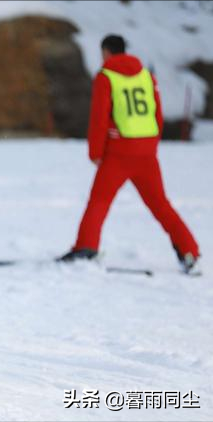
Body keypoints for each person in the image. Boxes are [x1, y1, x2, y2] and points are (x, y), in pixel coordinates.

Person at [58, 35, 200, 274]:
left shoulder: (106, 77)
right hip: (146, 153)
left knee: (99, 202)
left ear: (106, 52)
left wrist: (95, 152)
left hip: (119, 153)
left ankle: (86, 247)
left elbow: (99, 117)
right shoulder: (146, 76)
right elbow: (156, 114)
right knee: (160, 204)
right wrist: (150, 145)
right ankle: (189, 249)